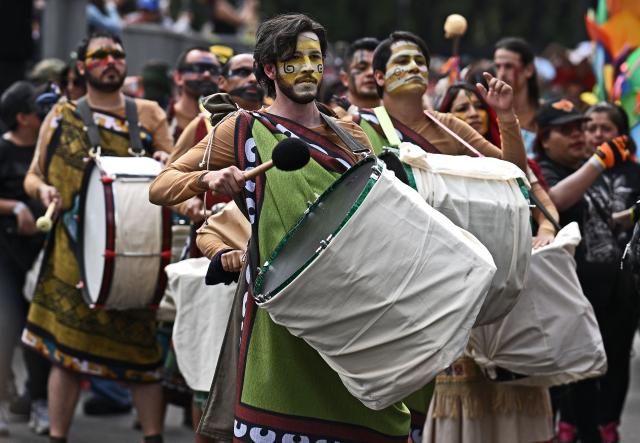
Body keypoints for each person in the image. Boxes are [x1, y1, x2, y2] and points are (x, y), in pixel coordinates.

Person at [150, 13, 413, 441]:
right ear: (269, 69)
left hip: (352, 305)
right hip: (280, 310)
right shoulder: (242, 129)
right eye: (294, 59)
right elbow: (160, 187)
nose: (308, 67)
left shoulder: (350, 136)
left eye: (315, 57)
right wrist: (208, 178)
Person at [348, 31, 526, 440]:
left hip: (446, 272)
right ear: (377, 76)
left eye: (419, 62)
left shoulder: (451, 128)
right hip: (385, 272)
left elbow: (514, 179)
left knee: (429, 394)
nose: (413, 68)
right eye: (401, 62)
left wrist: (506, 117)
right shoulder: (357, 128)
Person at [22, 30, 173, 443]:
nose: (110, 61)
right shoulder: (62, 115)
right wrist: (44, 191)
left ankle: (154, 437)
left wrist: (165, 159)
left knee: (144, 358)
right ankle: (57, 437)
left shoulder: (149, 114)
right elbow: (33, 176)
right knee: (66, 358)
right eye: (100, 55)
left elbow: (178, 176)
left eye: (117, 55)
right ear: (83, 65)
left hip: (137, 255)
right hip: (74, 253)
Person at [420, 81, 557, 443]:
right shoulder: (430, 163)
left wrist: (545, 230)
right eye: (460, 107)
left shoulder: (503, 163)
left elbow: (540, 201)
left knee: (515, 386)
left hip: (511, 290)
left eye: (477, 107)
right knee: (464, 392)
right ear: (445, 117)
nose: (470, 114)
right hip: (457, 291)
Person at [535, 99, 640, 443]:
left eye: (585, 128)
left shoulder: (625, 170)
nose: (584, 136)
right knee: (573, 373)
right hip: (571, 293)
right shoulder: (545, 168)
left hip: (618, 289)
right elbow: (554, 201)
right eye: (572, 130)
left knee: (614, 363)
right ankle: (570, 429)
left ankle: (603, 427)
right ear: (545, 137)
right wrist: (598, 161)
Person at [0, 81, 46, 438]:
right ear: (21, 118)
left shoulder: (46, 150)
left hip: (44, 253)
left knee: (41, 328)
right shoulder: (3, 149)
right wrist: (15, 206)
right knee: (7, 326)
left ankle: (38, 399)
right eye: (36, 109)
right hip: (6, 255)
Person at [494, 37, 540, 157]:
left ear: (529, 70)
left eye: (508, 66)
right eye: (498, 67)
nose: (502, 74)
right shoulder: (489, 115)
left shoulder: (545, 114)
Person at [167, 47, 220, 141]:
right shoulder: (161, 117)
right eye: (198, 68)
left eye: (213, 70)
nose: (207, 75)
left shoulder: (226, 123)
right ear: (178, 77)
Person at [334, 37, 380, 116]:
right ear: (345, 78)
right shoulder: (331, 122)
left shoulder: (401, 118)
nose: (371, 72)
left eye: (378, 67)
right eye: (362, 68)